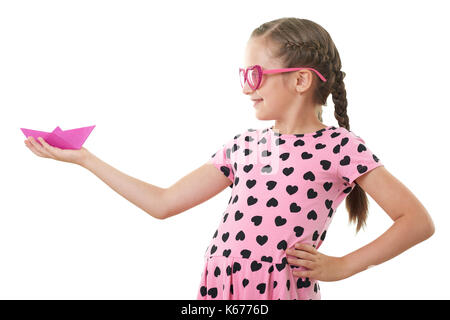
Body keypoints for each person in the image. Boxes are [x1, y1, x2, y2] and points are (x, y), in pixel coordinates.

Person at [24, 17, 435, 300]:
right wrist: (86, 159)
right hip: (220, 288)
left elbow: (417, 222)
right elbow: (163, 203)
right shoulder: (242, 146)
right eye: (243, 76)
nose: (245, 88)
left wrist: (342, 266)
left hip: (278, 290)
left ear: (300, 79)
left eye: (254, 75)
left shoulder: (340, 147)